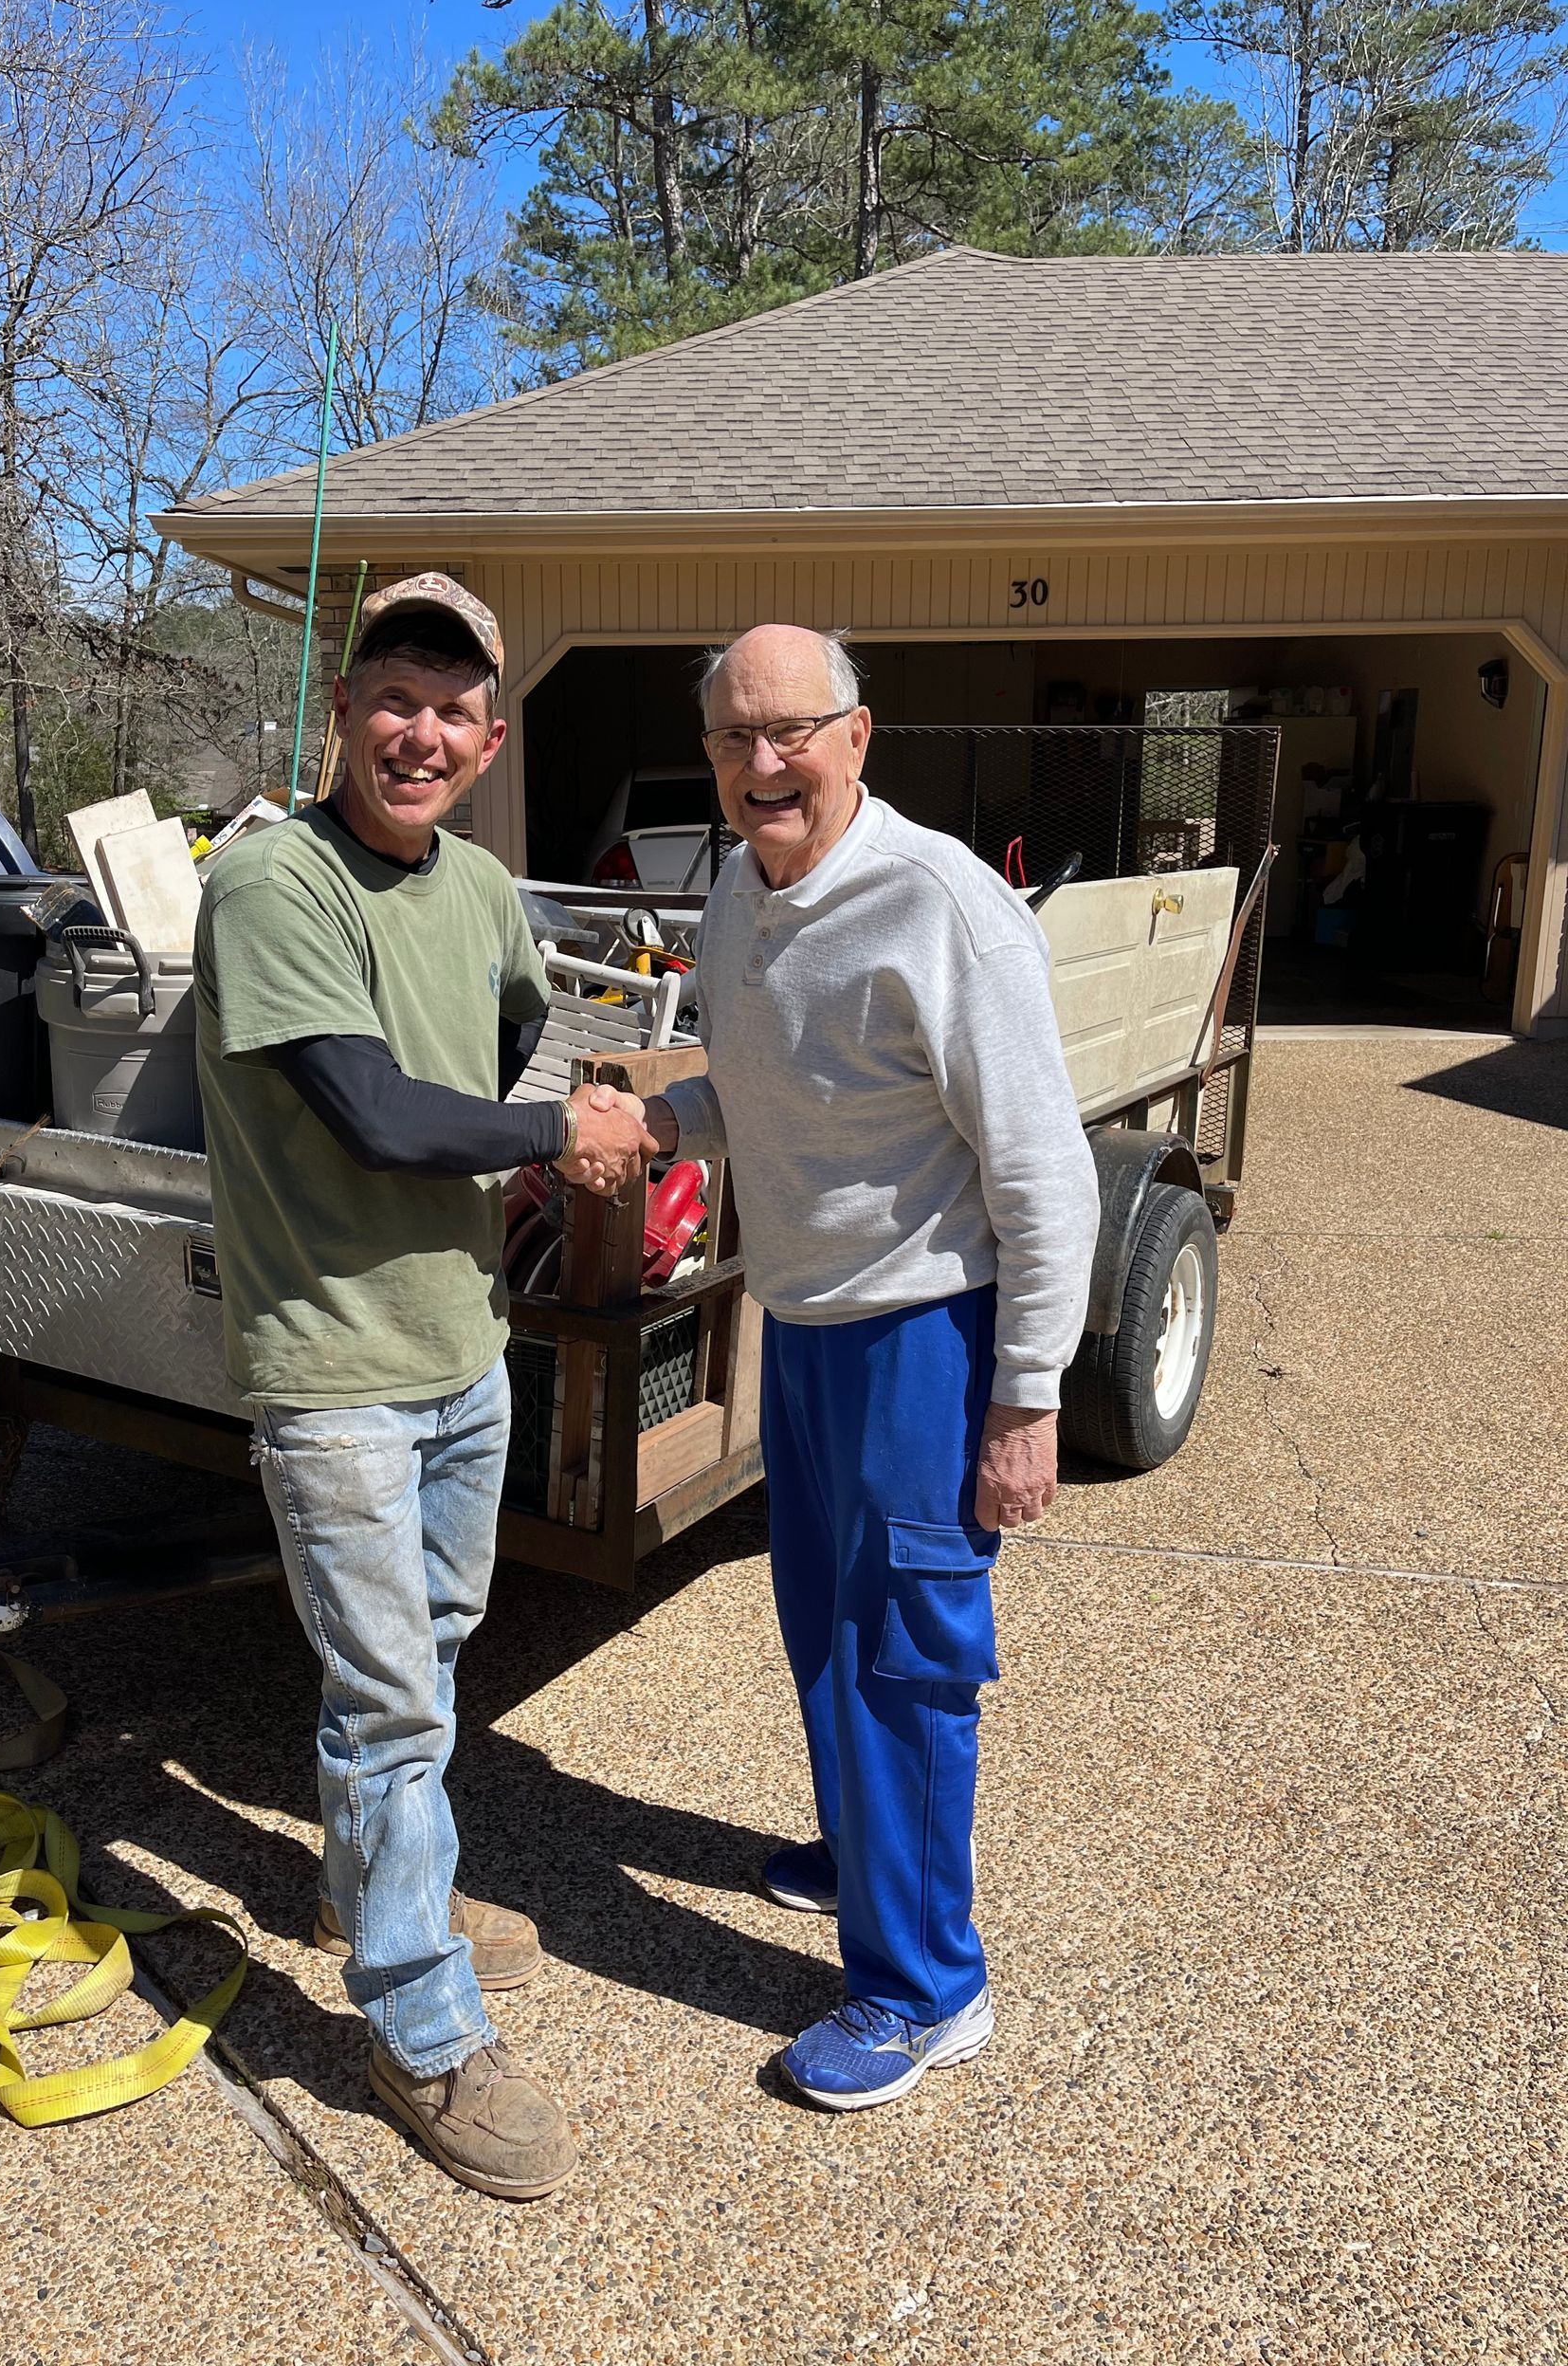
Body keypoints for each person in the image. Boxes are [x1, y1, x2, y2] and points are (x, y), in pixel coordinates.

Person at [193, 572, 653, 2199]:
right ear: (343, 709)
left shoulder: (472, 888)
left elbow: (528, 1022)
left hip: (464, 1353)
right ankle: (419, 2024)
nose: (423, 733)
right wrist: (560, 1136)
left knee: (430, 1664)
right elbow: (379, 1114)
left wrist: (587, 1074)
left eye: (455, 711)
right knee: (389, 1700)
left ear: (488, 736)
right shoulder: (269, 884)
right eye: (397, 696)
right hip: (337, 1376)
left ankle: (379, 1884)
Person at [641, 623, 1100, 2112]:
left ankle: (924, 1989)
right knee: (824, 1627)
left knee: (908, 1656)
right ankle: (866, 1849)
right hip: (809, 1325)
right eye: (732, 738)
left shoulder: (941, 908)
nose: (761, 764)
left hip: (924, 1337)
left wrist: (1027, 1398)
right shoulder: (735, 892)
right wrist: (653, 1124)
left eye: (792, 732)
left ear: (858, 736)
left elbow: (1044, 1172)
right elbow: (770, 1086)